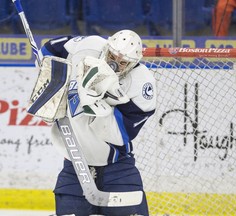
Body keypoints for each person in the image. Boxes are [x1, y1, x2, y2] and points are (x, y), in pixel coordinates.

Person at [32, 30, 156, 216]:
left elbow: (120, 135)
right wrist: (52, 78)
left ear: (133, 64)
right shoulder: (88, 46)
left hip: (118, 168)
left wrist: (98, 106)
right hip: (74, 166)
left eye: (123, 63)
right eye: (112, 56)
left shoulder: (141, 83)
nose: (114, 63)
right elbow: (49, 51)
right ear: (107, 47)